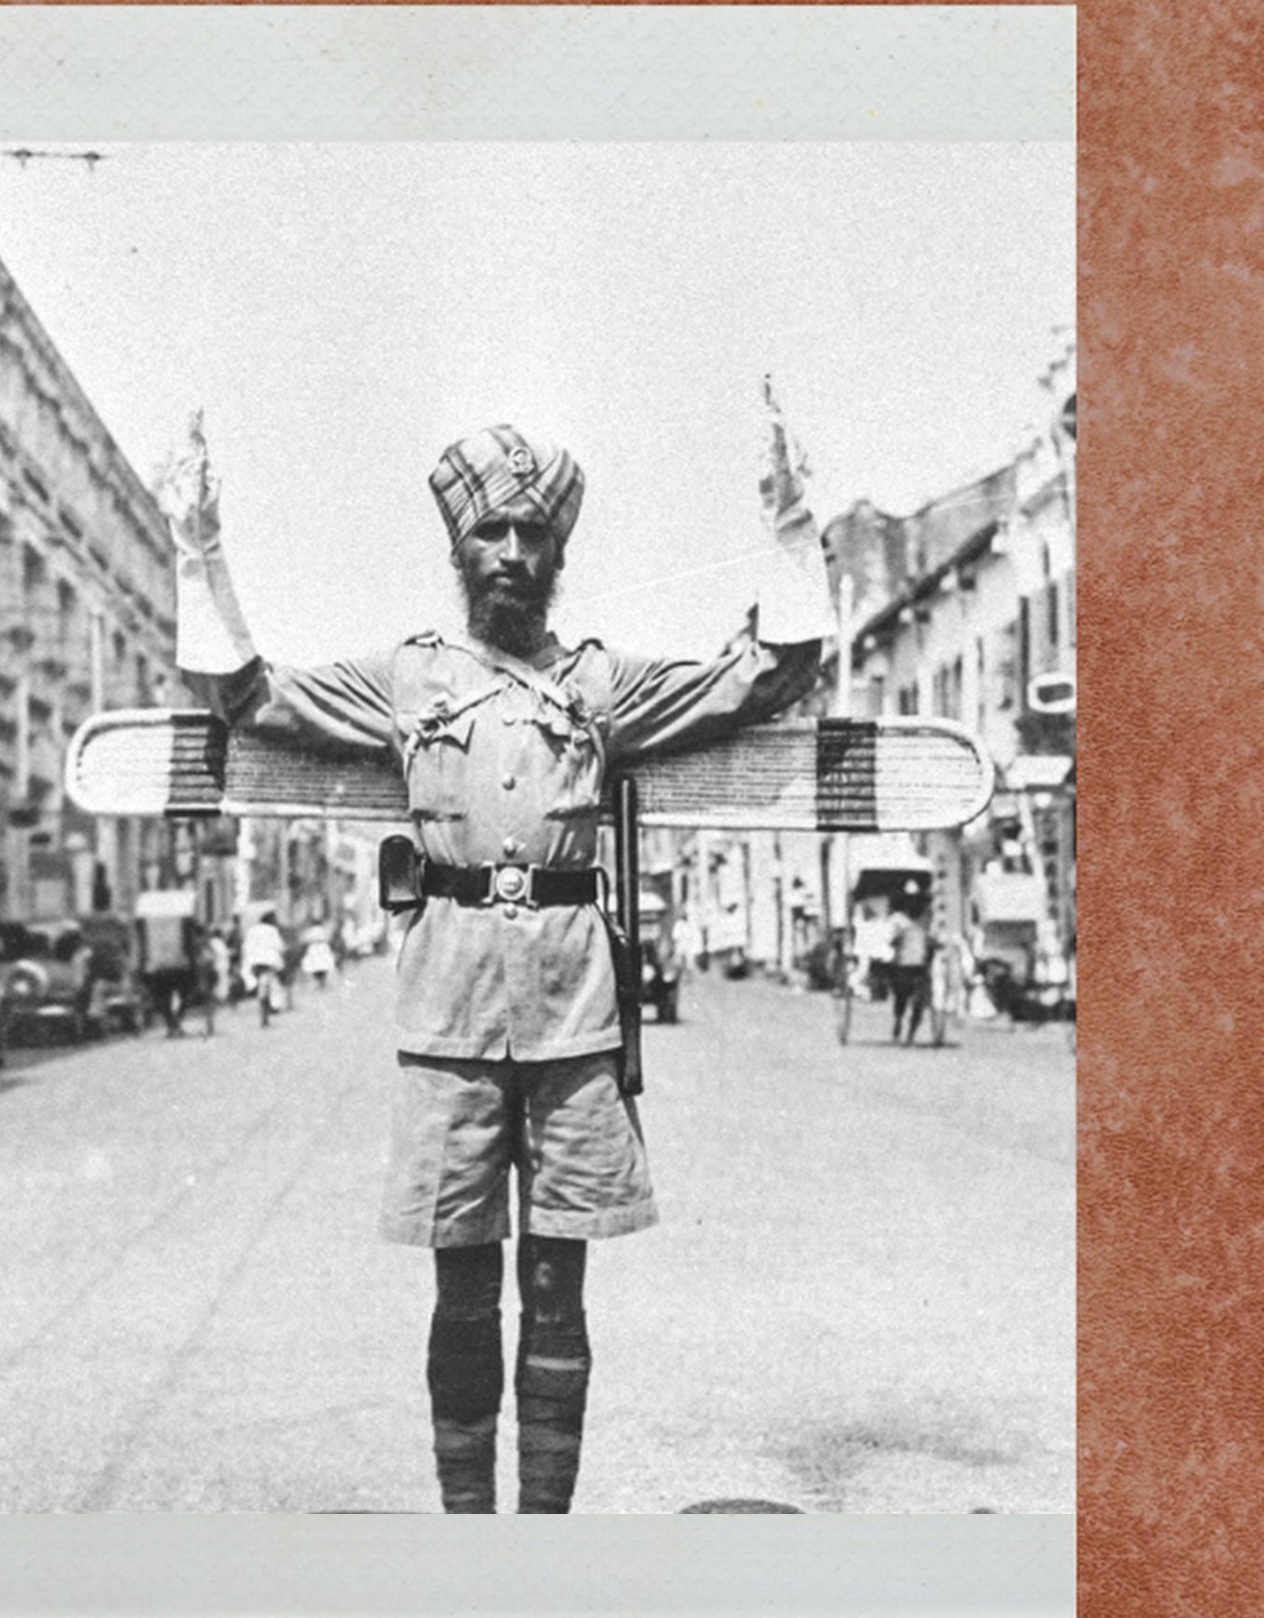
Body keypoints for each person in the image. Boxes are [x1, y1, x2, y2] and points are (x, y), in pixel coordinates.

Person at [169, 417, 828, 1513]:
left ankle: (545, 1539)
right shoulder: (405, 680)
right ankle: (469, 1534)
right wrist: (200, 550)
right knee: (464, 1290)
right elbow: (249, 698)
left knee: (559, 1292)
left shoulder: (601, 683)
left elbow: (764, 680)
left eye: (532, 533)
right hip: (449, 1021)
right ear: (460, 550)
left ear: (557, 554)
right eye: (491, 533)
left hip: (575, 1018)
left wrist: (793, 529)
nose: (514, 552)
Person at [888, 896, 933, 1044]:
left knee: (901, 999)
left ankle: (899, 1022)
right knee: (918, 1004)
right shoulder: (923, 932)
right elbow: (932, 947)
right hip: (918, 970)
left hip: (903, 968)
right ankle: (910, 1034)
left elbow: (893, 943)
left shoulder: (905, 930)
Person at [242, 905, 288, 1025]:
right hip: (269, 962)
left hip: (254, 962)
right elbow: (279, 946)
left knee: (259, 984)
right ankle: (271, 1008)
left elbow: (246, 946)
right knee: (274, 985)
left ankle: (261, 1004)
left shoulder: (252, 930)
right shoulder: (272, 930)